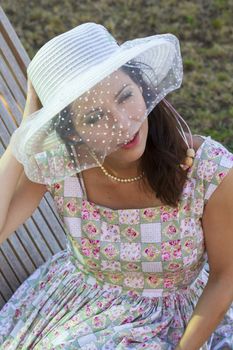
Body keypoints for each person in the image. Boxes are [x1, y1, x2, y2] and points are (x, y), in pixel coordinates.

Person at [0, 22, 232, 350]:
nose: (122, 125)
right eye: (94, 118)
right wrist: (24, 130)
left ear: (143, 89)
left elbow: (226, 276)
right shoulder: (64, 165)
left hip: (180, 322)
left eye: (125, 97)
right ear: (72, 132)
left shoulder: (208, 170)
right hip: (79, 308)